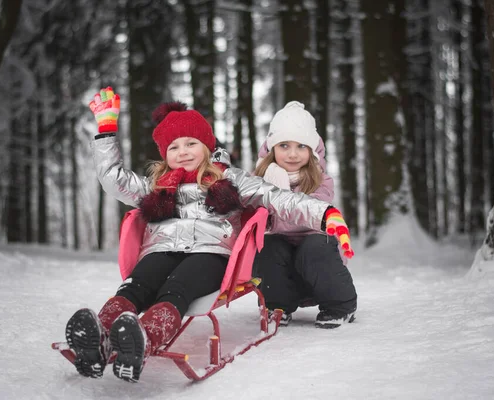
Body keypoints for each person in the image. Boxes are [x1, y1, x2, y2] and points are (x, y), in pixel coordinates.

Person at [64, 88, 353, 383]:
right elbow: (113, 180)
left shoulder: (230, 178)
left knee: (176, 289)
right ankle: (98, 335)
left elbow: (276, 196)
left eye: (191, 143)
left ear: (207, 146)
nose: (183, 151)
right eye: (174, 147)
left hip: (210, 254)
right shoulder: (157, 184)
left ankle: (143, 339)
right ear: (165, 154)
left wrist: (324, 213)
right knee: (135, 286)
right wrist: (106, 131)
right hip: (161, 250)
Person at [252, 101, 357, 329]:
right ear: (271, 149)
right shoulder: (258, 181)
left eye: (301, 146)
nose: (292, 154)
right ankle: (277, 305)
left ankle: (341, 305)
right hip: (283, 271)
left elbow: (310, 212)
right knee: (269, 245)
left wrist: (277, 197)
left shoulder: (321, 180)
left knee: (315, 244)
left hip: (318, 266)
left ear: (312, 151)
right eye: (284, 146)